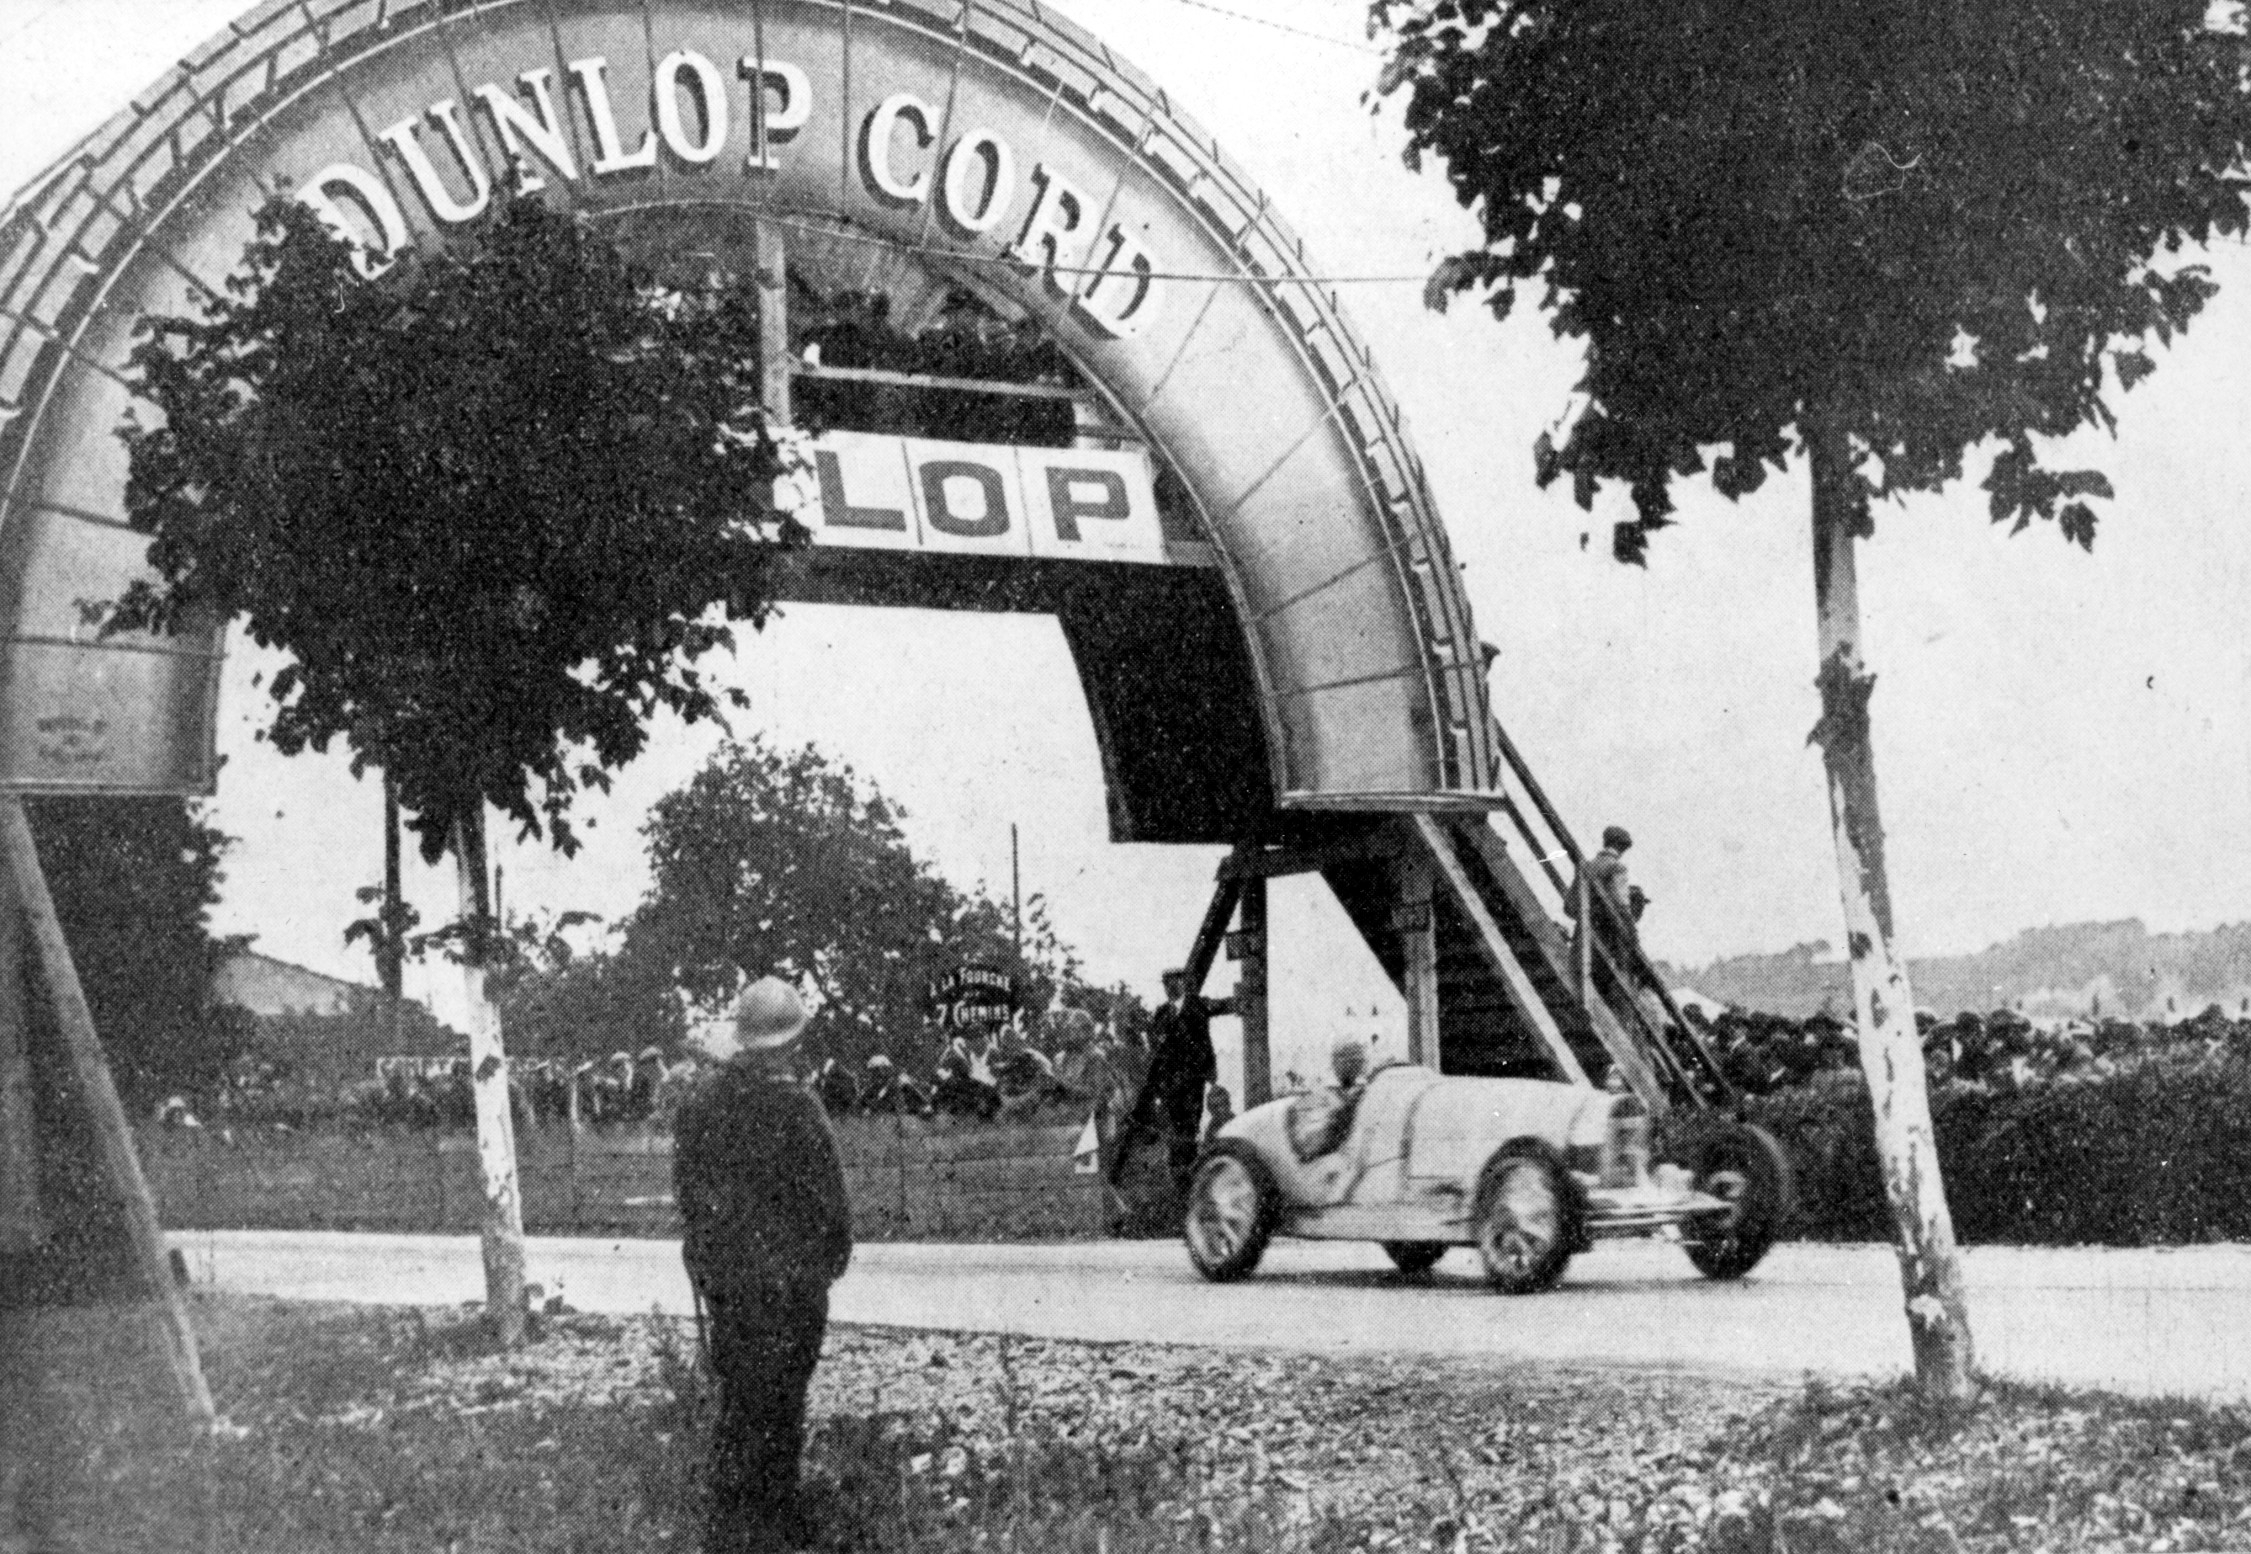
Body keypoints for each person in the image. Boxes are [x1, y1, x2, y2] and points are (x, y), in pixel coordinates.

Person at [672, 977, 853, 1554]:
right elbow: (831, 1205)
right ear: (792, 1041)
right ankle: (778, 1523)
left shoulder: (701, 1103)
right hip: (792, 1288)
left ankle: (731, 1531)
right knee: (784, 1405)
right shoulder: (798, 1106)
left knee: (741, 1402)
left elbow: (690, 1196)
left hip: (731, 1286)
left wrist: (706, 1260)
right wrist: (825, 1265)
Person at [1108, 968, 1234, 1196]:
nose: (1168, 988)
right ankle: (1180, 1180)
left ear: (1182, 983)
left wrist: (1208, 1070)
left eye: (1172, 982)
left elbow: (1220, 1009)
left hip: (1191, 1081)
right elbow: (1157, 1047)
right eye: (1165, 983)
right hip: (1167, 1083)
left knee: (1189, 1128)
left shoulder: (1198, 1005)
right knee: (1173, 1129)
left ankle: (1187, 1178)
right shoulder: (1162, 1013)